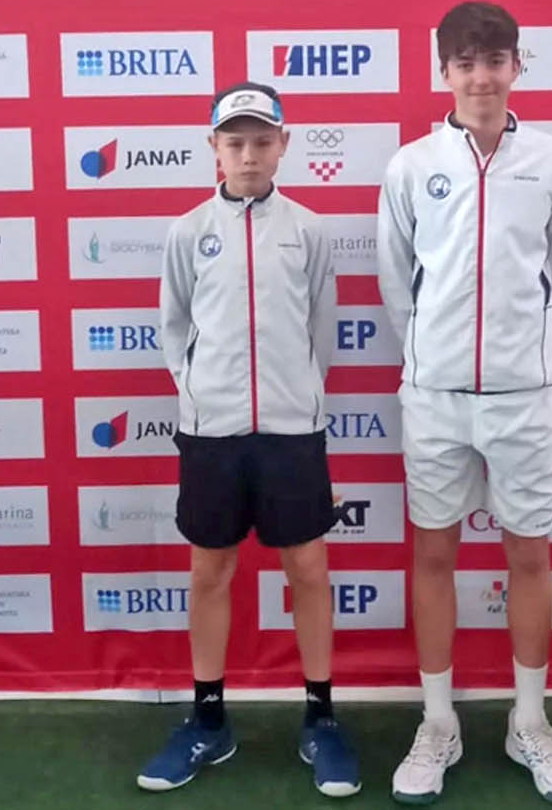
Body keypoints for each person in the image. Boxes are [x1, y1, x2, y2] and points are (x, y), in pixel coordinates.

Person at [377, 2, 552, 805]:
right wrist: (429, 361)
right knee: (433, 555)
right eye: (465, 63)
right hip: (435, 396)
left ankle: (529, 721)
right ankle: (439, 722)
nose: (481, 78)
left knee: (529, 556)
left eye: (495, 61)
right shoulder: (410, 165)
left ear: (517, 66)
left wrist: (534, 363)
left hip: (525, 397)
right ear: (443, 72)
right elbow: (399, 284)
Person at [140, 81, 360, 798]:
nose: (248, 155)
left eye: (262, 141)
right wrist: (200, 393)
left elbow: (322, 328)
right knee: (210, 570)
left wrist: (301, 395)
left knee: (309, 569)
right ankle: (208, 720)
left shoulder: (310, 230)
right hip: (213, 433)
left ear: (283, 145)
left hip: (293, 431)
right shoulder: (187, 231)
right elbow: (174, 326)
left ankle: (321, 719)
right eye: (234, 142)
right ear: (213, 147)